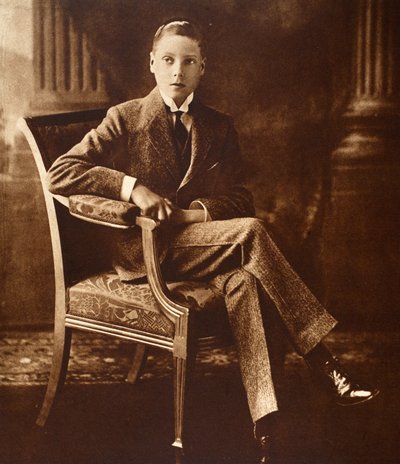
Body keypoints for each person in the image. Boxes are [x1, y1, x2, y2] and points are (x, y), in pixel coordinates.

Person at [46, 19, 379, 463]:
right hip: (146, 249)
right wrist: (132, 188)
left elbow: (240, 198)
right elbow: (61, 173)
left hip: (203, 241)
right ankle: (323, 362)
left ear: (203, 68)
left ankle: (266, 424)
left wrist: (194, 213)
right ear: (151, 64)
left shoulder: (219, 126)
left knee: (245, 281)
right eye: (168, 60)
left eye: (188, 62)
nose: (177, 71)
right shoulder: (125, 117)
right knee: (253, 231)